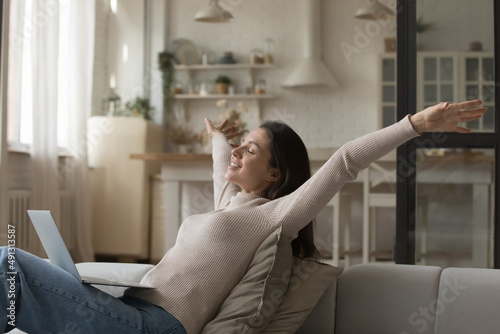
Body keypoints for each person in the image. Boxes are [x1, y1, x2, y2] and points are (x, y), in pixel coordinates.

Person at [0, 100, 487, 333]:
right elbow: (221, 160)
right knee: (11, 286)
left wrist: (415, 125)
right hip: (131, 310)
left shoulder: (273, 217)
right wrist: (218, 135)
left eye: (250, 149)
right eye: (240, 146)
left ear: (276, 174)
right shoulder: (227, 205)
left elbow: (344, 162)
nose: (237, 153)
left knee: (8, 264)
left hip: (157, 328)